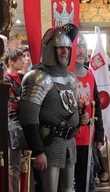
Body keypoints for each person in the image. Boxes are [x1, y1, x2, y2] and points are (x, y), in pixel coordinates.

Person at [19, 23, 80, 191]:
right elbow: (28, 118)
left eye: (67, 48)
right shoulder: (37, 77)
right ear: (49, 49)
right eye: (59, 48)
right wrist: (38, 151)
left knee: (68, 190)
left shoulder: (71, 78)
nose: (64, 51)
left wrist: (81, 117)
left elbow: (72, 107)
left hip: (68, 142)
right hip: (48, 144)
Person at [74, 33, 104, 191]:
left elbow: (97, 107)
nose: (80, 51)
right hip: (68, 137)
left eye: (83, 47)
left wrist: (99, 135)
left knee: (87, 181)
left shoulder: (90, 76)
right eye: (77, 47)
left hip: (88, 136)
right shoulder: (66, 75)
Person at [4, 48, 24, 192]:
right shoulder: (5, 79)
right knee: (13, 164)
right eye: (19, 59)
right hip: (11, 124)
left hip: (22, 123)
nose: (22, 61)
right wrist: (20, 101)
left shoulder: (22, 77)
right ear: (11, 61)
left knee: (20, 163)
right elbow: (11, 103)